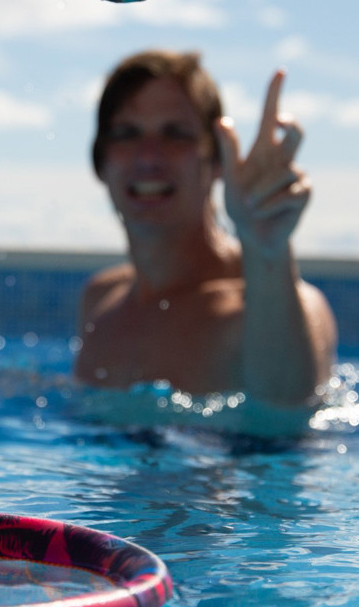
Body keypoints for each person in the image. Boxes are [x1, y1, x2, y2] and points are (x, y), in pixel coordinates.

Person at [73, 50, 336, 406]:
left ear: (216, 162)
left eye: (176, 134)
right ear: (100, 162)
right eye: (127, 133)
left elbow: (287, 405)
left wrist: (266, 248)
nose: (148, 157)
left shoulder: (267, 306)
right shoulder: (101, 300)